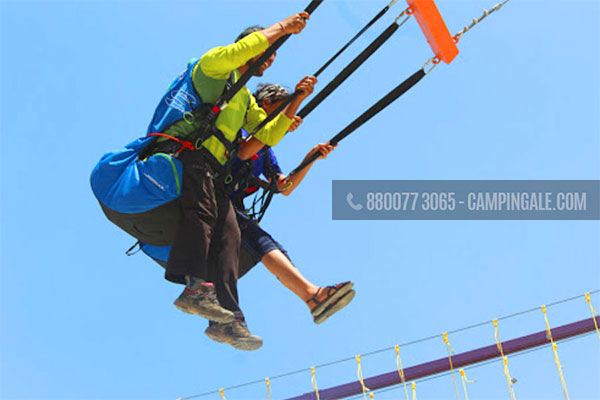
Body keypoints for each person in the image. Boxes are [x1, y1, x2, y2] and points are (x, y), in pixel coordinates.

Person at [144, 13, 317, 349]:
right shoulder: (213, 64)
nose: (270, 61)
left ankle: (226, 319)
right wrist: (282, 28)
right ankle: (194, 288)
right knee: (204, 215)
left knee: (231, 236)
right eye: (269, 52)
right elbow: (245, 48)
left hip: (211, 167)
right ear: (253, 46)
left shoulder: (245, 100)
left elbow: (262, 136)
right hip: (187, 154)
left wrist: (296, 100)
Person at [204, 83, 355, 349]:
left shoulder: (267, 152)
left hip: (229, 208)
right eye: (281, 107)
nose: (286, 112)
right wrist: (295, 102)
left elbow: (283, 187)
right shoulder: (237, 128)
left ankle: (310, 298)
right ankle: (312, 295)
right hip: (210, 195)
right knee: (256, 238)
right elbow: (245, 151)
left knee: (267, 245)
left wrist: (310, 159)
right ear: (264, 105)